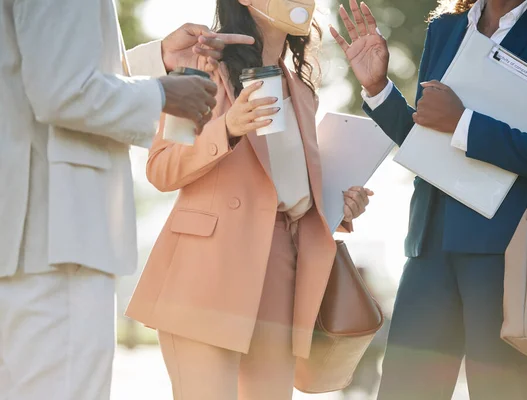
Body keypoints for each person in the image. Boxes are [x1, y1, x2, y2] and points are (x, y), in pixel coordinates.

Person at [331, 0, 527, 398]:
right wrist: (377, 88)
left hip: (507, 254)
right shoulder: (445, 29)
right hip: (429, 246)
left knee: (499, 391)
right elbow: (427, 140)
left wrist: (465, 123)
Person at [0, 0, 255, 398]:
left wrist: (156, 61)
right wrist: (162, 94)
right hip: (54, 235)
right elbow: (61, 90)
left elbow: (31, 68)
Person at [125, 0, 373, 399]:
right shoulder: (204, 66)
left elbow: (286, 189)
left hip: (281, 274)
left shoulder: (302, 91)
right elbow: (162, 168)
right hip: (208, 273)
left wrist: (336, 206)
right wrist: (227, 128)